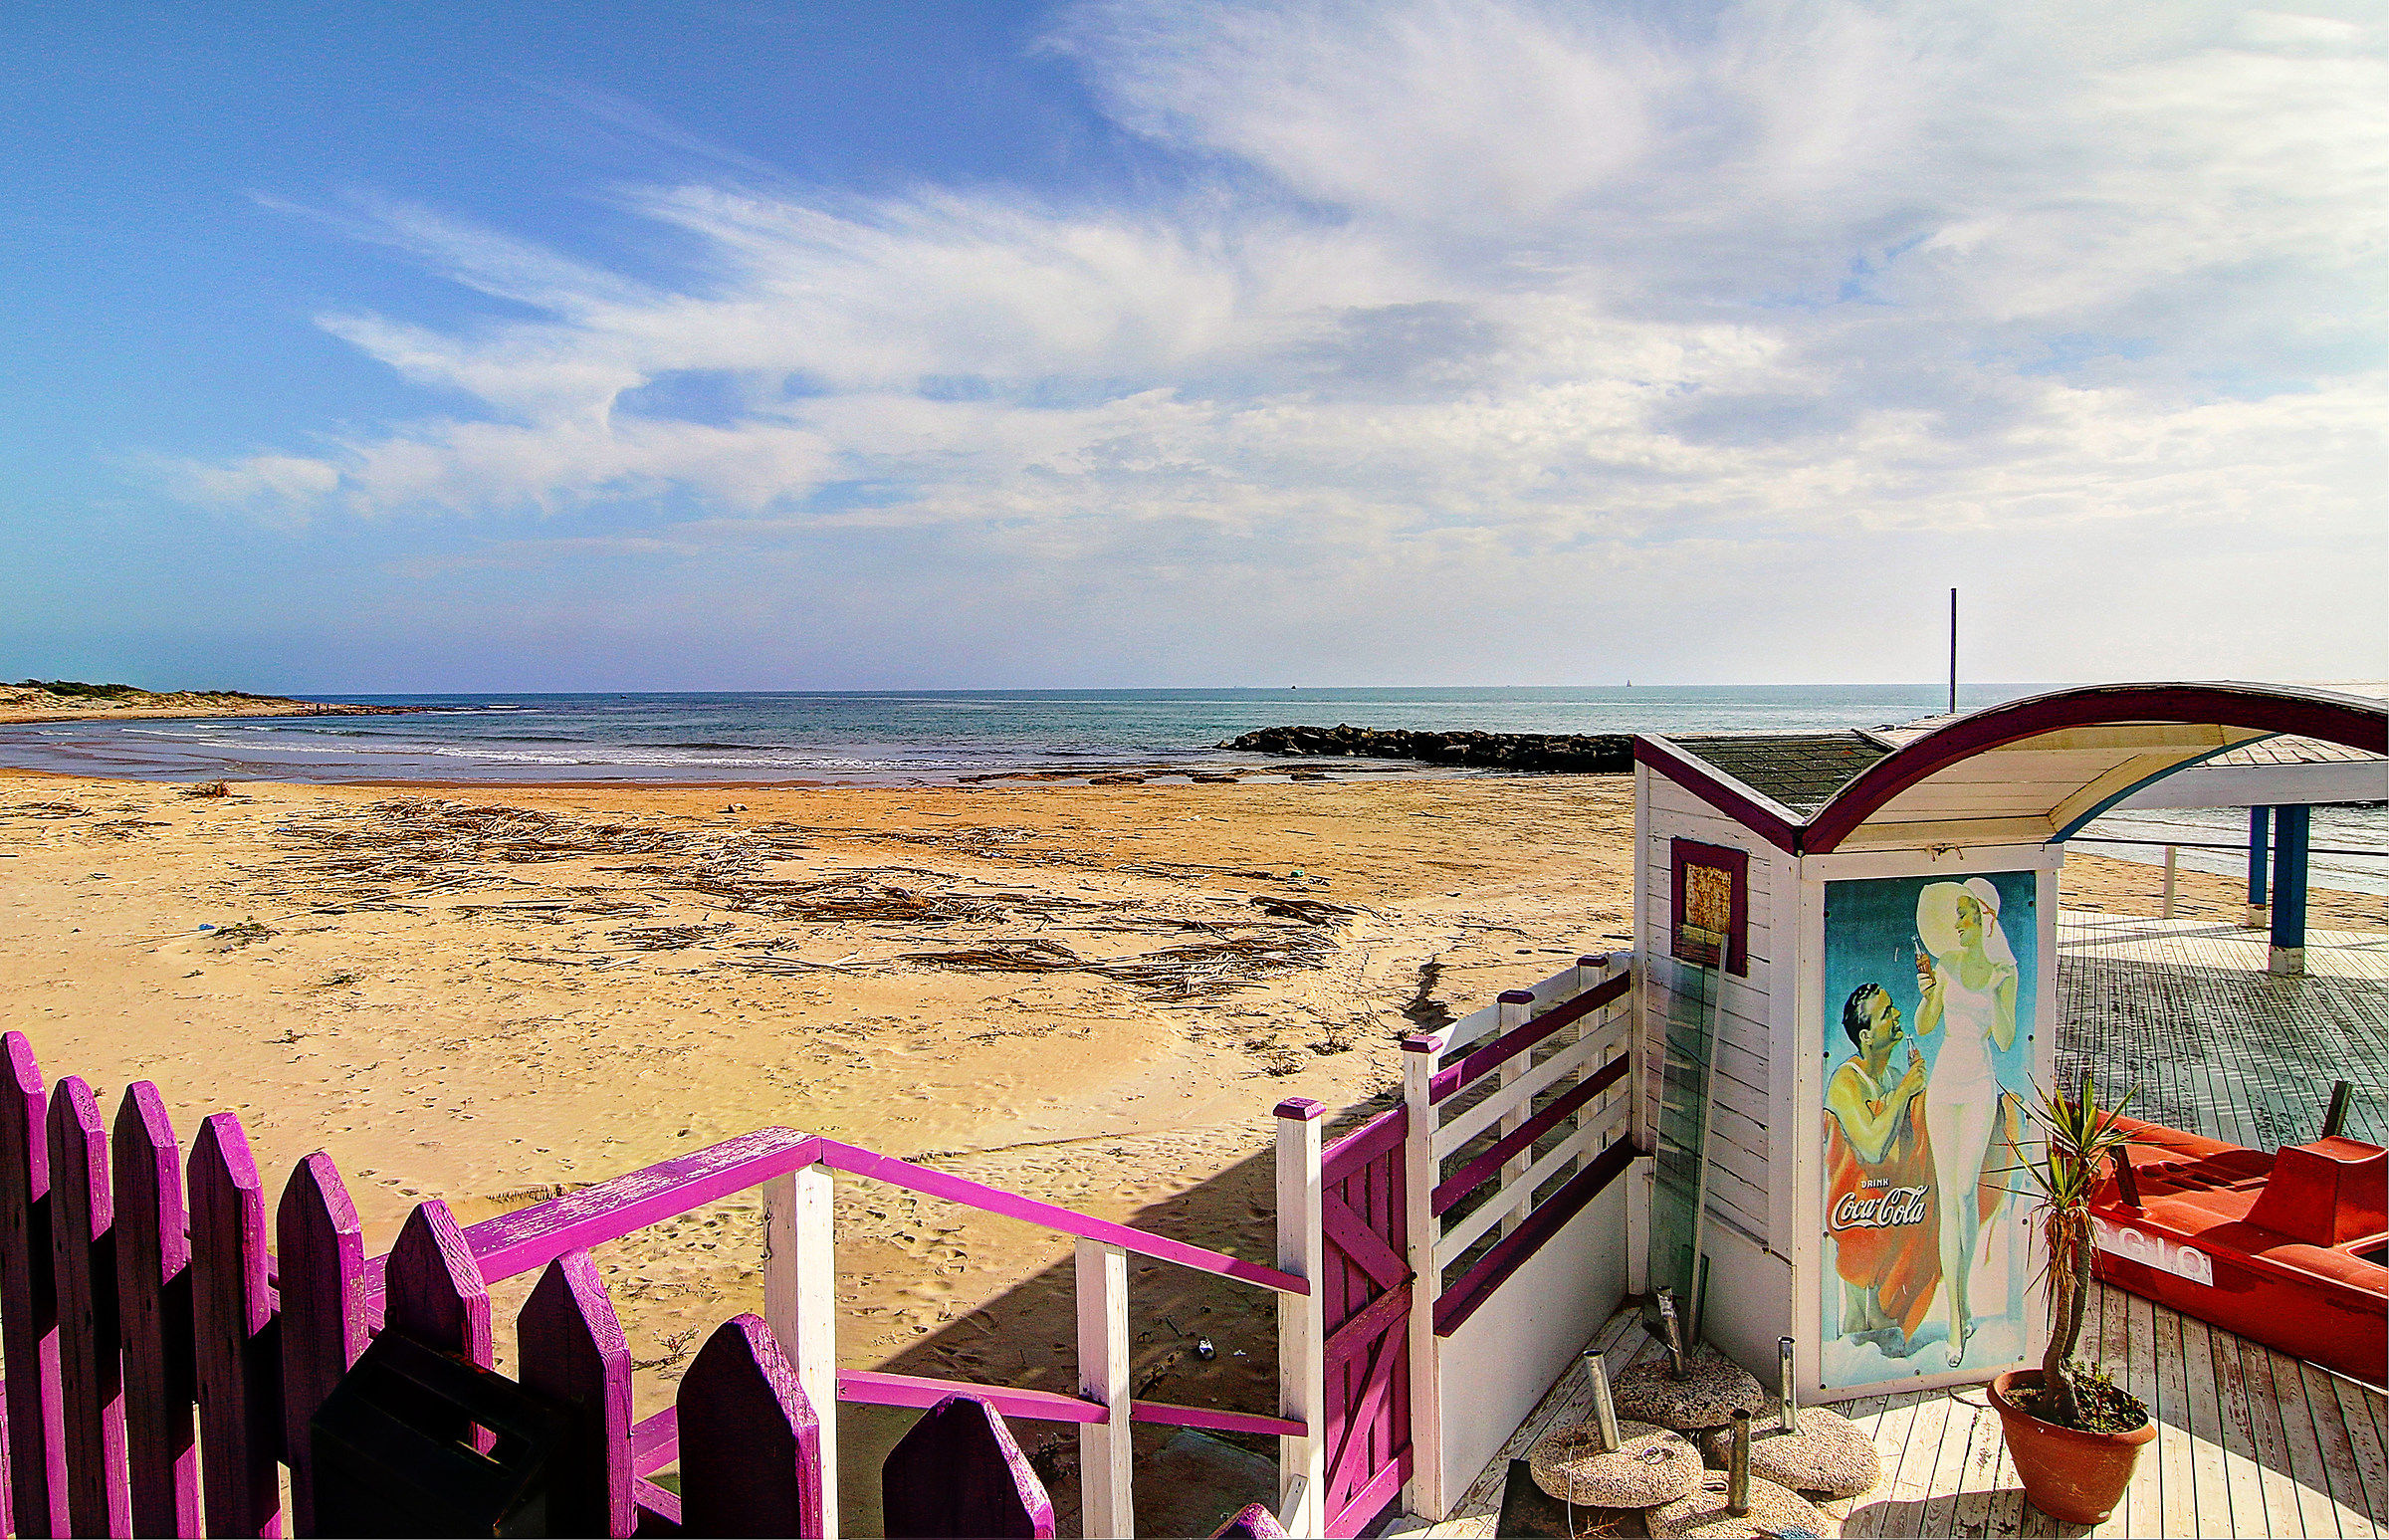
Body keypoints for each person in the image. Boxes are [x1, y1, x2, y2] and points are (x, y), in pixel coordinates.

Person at [1914, 877, 2021, 1367]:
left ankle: (1962, 1306)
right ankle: (1959, 1317)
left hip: (1979, 1084)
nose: (1956, 924)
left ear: (1985, 918)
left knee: (1962, 1193)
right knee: (1948, 1197)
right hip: (1944, 1085)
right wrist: (1929, 991)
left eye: (1964, 914)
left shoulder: (2004, 972)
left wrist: (2000, 988)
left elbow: (2003, 1038)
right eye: (1956, 914)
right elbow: (1925, 1025)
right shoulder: (1946, 964)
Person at [1824, 983, 1937, 1354]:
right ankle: (1858, 1327)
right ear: (1867, 1035)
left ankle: (1873, 1318)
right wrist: (1904, 1094)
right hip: (1852, 1202)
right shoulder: (1846, 1081)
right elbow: (1871, 1147)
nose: (1898, 1015)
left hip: (1884, 1201)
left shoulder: (1891, 1076)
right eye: (1887, 1012)